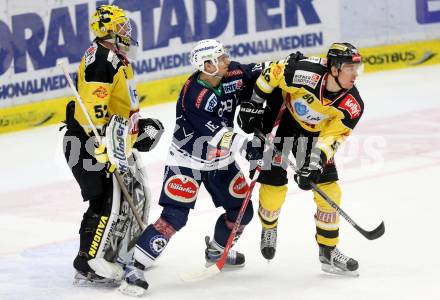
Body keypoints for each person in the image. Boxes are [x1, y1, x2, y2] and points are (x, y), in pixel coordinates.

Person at [119, 39, 265, 295]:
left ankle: (217, 251)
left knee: (242, 210)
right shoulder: (194, 95)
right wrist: (245, 144)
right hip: (187, 160)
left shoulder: (233, 74)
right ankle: (135, 268)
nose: (226, 61)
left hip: (220, 161)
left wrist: (288, 71)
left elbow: (264, 72)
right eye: (220, 58)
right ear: (206, 65)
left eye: (224, 56)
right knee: (173, 217)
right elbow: (215, 133)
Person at [238, 43, 364, 276]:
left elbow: (333, 136)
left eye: (357, 68)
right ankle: (269, 227)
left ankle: (328, 251)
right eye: (349, 68)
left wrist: (315, 164)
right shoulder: (304, 72)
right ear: (334, 68)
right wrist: (254, 104)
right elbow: (273, 73)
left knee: (329, 190)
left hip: (313, 135)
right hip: (281, 119)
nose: (355, 74)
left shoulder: (352, 105)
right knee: (273, 185)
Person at [62, 4, 163, 288]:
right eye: (121, 27)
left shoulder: (115, 58)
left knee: (129, 195)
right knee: (105, 199)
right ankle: (87, 260)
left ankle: (119, 250)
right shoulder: (102, 60)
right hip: (89, 142)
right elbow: (93, 110)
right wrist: (100, 143)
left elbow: (118, 105)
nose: (126, 32)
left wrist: (135, 128)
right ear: (108, 30)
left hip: (111, 140)